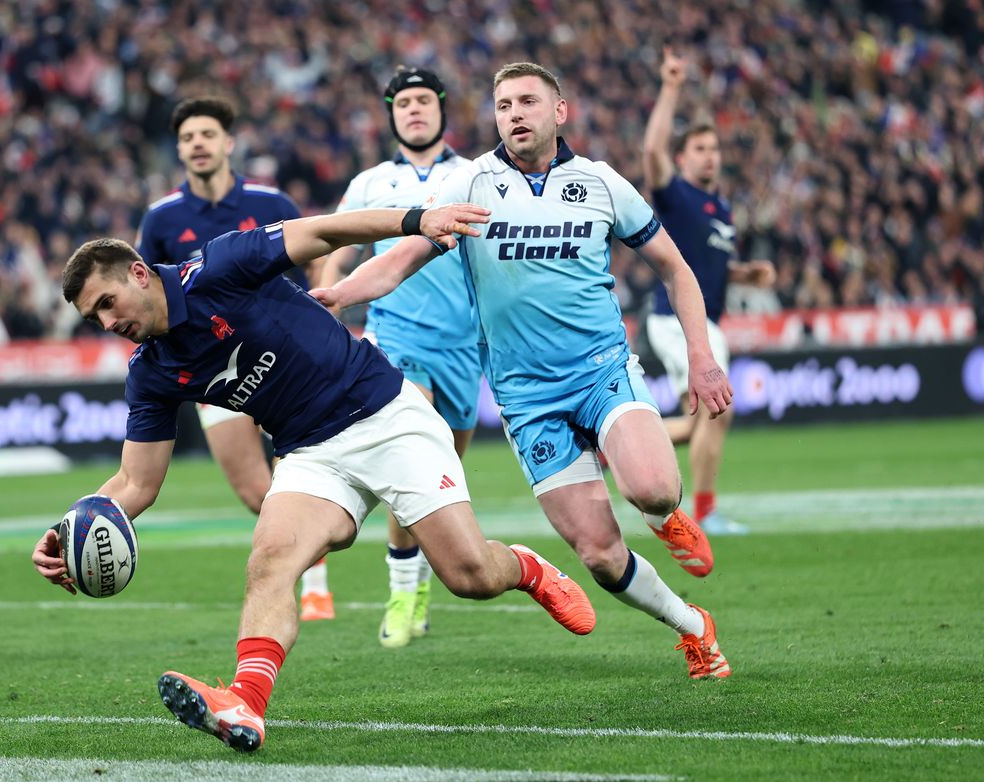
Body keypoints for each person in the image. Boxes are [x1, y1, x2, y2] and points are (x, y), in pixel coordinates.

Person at [31, 202, 599, 753]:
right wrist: (71, 526)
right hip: (310, 452)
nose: (108, 323)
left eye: (107, 303)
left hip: (384, 416)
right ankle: (244, 703)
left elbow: (328, 232)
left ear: (138, 273)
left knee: (470, 576)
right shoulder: (150, 372)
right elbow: (136, 483)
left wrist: (416, 220)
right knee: (269, 561)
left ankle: (526, 566)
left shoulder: (221, 266)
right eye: (93, 319)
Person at [314, 62, 732, 681]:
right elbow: (399, 260)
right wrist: (339, 295)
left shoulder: (601, 183)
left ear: (558, 112)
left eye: (527, 101)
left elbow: (676, 268)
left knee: (651, 487)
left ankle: (666, 515)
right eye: (503, 103)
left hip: (600, 372)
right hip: (526, 396)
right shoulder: (470, 184)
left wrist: (701, 358)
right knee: (598, 553)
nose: (513, 112)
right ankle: (694, 628)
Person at [136, 97, 334, 620]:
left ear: (228, 143)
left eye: (206, 134)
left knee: (299, 469)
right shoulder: (161, 218)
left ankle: (311, 581)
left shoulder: (271, 202)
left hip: (283, 355)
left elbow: (315, 254)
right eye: (186, 138)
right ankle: (308, 567)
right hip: (214, 373)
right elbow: (144, 291)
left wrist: (324, 302)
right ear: (179, 150)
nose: (197, 144)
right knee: (254, 491)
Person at [319, 67, 479, 649]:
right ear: (391, 113)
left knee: (444, 472)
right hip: (396, 338)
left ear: (441, 108)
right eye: (403, 102)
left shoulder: (474, 174)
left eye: (423, 101)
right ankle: (401, 591)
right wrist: (328, 292)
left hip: (464, 345)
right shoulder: (370, 182)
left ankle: (423, 584)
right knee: (412, 456)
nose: (414, 110)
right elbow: (333, 243)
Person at [642, 48, 776, 536]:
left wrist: (743, 275)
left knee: (702, 417)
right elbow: (651, 152)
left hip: (702, 320)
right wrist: (672, 87)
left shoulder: (720, 207)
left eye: (713, 148)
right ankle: (704, 511)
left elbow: (709, 265)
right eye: (699, 148)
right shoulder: (677, 195)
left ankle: (617, 444)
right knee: (719, 407)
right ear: (682, 159)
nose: (710, 155)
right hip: (677, 318)